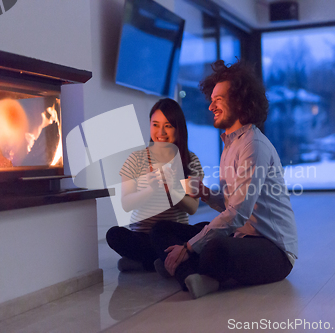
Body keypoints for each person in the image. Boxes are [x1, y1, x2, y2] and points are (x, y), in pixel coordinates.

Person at [150, 60, 298, 299]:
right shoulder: (230, 144)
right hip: (240, 235)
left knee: (214, 247)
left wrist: (189, 247)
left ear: (240, 102)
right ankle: (193, 274)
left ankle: (182, 266)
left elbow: (238, 213)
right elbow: (231, 205)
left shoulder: (254, 145)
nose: (210, 107)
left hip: (273, 250)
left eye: (217, 100)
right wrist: (206, 193)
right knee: (161, 230)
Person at [106, 98, 204, 272]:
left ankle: (145, 262)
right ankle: (159, 260)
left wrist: (171, 191)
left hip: (171, 234)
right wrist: (150, 190)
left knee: (202, 228)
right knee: (114, 234)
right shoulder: (136, 159)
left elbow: (192, 208)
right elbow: (126, 204)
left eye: (168, 126)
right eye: (155, 125)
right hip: (142, 236)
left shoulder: (190, 160)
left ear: (178, 128)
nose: (161, 132)